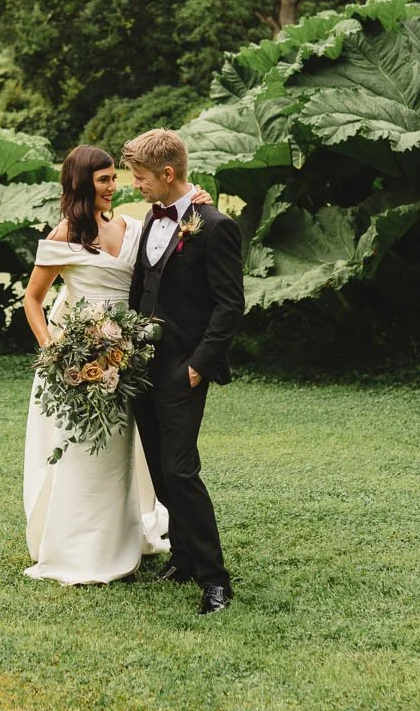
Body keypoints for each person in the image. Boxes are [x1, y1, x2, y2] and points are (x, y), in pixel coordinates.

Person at [21, 144, 209, 584]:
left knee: (123, 451)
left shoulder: (130, 225)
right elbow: (32, 299)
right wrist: (54, 352)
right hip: (79, 360)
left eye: (114, 178)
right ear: (82, 183)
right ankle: (78, 548)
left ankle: (122, 537)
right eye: (104, 179)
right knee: (83, 451)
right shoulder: (62, 236)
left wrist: (195, 203)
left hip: (126, 359)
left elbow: (172, 241)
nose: (113, 186)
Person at [122, 128, 244, 615]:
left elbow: (230, 306)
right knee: (157, 465)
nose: (136, 185)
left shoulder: (214, 226)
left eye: (141, 177)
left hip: (182, 367)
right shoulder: (152, 220)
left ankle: (216, 580)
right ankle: (186, 557)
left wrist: (198, 365)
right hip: (141, 366)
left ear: (167, 174)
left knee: (180, 469)